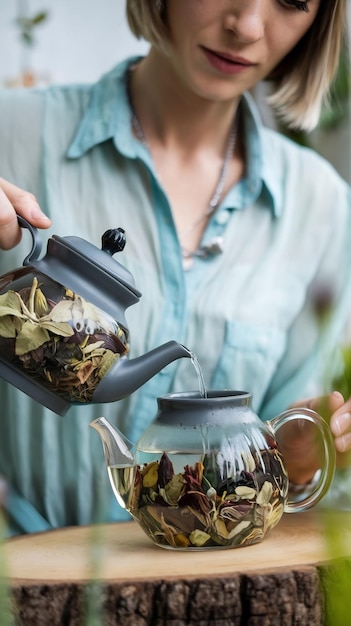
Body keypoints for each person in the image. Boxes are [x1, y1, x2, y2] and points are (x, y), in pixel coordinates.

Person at [0, 0, 350, 536]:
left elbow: (276, 468)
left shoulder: (320, 206)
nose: (247, 26)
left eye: (293, 1)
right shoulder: (14, 133)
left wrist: (302, 459)